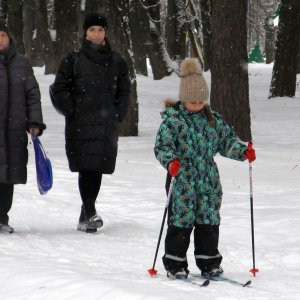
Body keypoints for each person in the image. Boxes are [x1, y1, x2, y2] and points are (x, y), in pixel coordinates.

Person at [154, 58, 256, 279]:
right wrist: (171, 161)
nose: (198, 104)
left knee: (208, 221)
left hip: (208, 179)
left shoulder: (212, 120)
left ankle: (209, 262)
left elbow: (226, 142)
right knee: (181, 220)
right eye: (193, 101)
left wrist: (242, 151)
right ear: (184, 98)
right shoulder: (173, 121)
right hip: (181, 178)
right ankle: (175, 262)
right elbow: (162, 146)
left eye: (202, 100)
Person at [50, 12, 130, 233]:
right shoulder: (72, 59)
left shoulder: (116, 60)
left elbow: (124, 90)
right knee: (86, 168)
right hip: (81, 123)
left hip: (105, 124)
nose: (96, 33)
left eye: (100, 30)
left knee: (97, 168)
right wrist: (72, 110)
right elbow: (60, 87)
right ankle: (91, 211)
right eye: (92, 29)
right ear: (85, 33)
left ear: (105, 33)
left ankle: (86, 216)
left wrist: (117, 113)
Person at [0, 21, 46, 234]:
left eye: (2, 35)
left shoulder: (22, 63)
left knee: (7, 177)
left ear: (9, 37)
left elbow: (32, 95)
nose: (0, 39)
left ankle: (2, 217)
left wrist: (34, 122)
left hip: (14, 131)